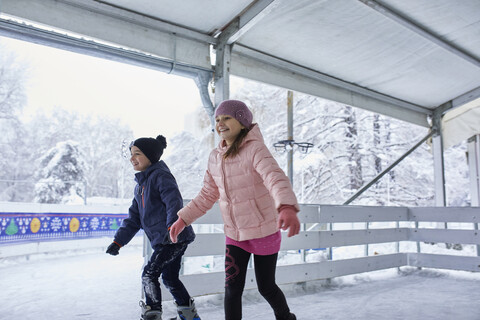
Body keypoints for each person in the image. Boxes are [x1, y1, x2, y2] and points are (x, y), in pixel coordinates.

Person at [169, 100, 300, 320]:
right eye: (217, 119)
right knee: (232, 290)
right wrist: (184, 218)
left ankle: (286, 318)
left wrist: (286, 205)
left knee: (266, 287)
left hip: (263, 231)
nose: (220, 123)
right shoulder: (215, 157)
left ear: (242, 121)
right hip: (235, 234)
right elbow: (207, 194)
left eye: (227, 118)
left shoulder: (255, 149)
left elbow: (274, 178)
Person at [106, 135, 201, 320]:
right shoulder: (140, 187)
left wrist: (172, 227)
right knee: (170, 279)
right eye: (131, 154)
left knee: (149, 275)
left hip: (173, 237)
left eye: (137, 154)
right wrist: (118, 241)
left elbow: (173, 201)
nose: (132, 158)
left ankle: (152, 315)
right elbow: (133, 219)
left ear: (151, 156)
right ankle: (190, 317)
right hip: (163, 241)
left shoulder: (160, 176)